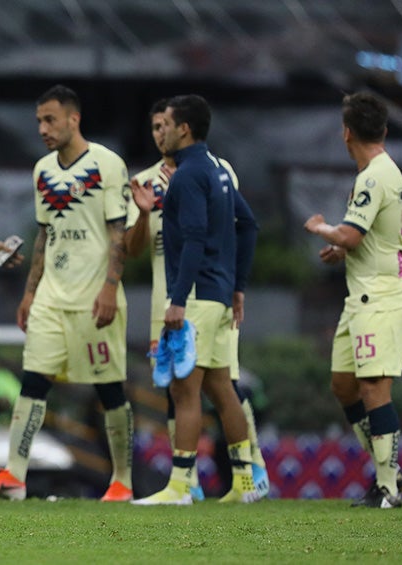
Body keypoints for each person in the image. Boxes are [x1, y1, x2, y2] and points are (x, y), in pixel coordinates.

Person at [0, 84, 135, 502]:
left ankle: (122, 479)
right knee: (33, 381)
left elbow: (119, 233)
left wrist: (109, 287)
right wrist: (30, 294)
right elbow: (45, 236)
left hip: (95, 297)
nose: (43, 129)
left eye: (50, 120)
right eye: (39, 122)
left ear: (74, 119)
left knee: (109, 389)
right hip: (51, 295)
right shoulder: (42, 170)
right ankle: (14, 474)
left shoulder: (108, 164)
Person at [126, 99, 269, 500]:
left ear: (184, 129)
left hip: (196, 296)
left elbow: (192, 239)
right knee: (222, 389)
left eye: (166, 125)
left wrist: (177, 300)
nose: (160, 132)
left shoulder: (186, 175)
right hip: (220, 294)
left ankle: (180, 486)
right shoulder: (217, 171)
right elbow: (250, 225)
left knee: (184, 392)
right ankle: (244, 482)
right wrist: (237, 286)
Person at [303, 92, 402, 509]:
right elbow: (367, 237)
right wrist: (344, 250)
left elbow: (349, 232)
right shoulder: (378, 172)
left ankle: (386, 487)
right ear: (382, 129)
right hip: (361, 296)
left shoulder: (374, 176)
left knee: (373, 387)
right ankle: (391, 471)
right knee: (344, 386)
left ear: (346, 133)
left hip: (381, 298)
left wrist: (322, 229)